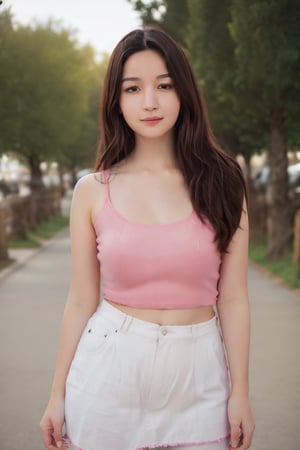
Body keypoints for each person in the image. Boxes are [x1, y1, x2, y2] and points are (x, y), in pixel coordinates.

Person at [40, 27, 255, 450]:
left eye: (164, 85)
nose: (150, 102)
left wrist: (241, 392)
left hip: (200, 381)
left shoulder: (224, 182)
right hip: (108, 375)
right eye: (133, 88)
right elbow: (81, 299)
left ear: (184, 92)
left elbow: (233, 298)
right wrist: (56, 393)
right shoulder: (92, 190)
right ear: (117, 102)